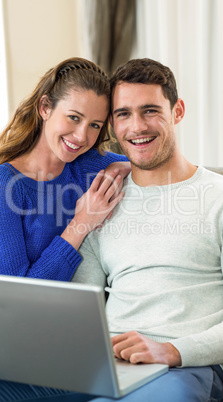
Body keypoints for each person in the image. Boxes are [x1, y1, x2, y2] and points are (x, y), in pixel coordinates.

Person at [73, 58, 223, 401]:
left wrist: (172, 350)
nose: (137, 127)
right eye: (123, 114)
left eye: (150, 110)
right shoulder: (101, 201)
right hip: (105, 363)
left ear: (177, 111)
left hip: (180, 369)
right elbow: (78, 311)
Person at [0, 57, 130, 401]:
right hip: (15, 342)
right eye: (73, 118)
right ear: (45, 107)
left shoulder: (89, 167)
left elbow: (152, 164)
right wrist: (80, 224)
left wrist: (124, 167)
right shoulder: (5, 185)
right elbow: (23, 301)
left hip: (67, 348)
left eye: (94, 125)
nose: (81, 136)